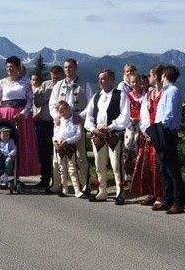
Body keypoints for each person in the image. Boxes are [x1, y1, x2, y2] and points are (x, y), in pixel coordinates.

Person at [84, 69, 131, 204]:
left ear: (111, 80)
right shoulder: (96, 96)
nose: (99, 81)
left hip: (113, 135)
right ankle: (102, 191)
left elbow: (124, 116)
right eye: (99, 78)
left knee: (116, 165)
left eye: (103, 78)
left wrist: (110, 127)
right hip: (98, 135)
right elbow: (89, 116)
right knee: (99, 165)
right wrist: (93, 128)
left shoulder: (121, 95)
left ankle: (120, 192)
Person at [48, 59, 93, 193]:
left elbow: (90, 104)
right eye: (66, 67)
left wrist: (82, 115)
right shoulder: (58, 85)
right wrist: (55, 116)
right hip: (61, 125)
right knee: (57, 157)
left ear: (76, 68)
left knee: (80, 156)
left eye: (70, 67)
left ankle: (85, 185)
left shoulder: (85, 84)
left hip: (76, 124)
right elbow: (52, 104)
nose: (68, 69)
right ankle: (57, 185)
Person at [0, 56, 40, 176]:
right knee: (6, 141)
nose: (9, 69)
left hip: (21, 117)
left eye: (12, 67)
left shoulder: (25, 81)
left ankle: (19, 172)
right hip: (6, 115)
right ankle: (2, 171)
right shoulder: (2, 82)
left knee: (21, 143)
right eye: (7, 67)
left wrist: (23, 114)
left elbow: (30, 100)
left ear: (18, 68)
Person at [151, 65, 184, 214]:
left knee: (172, 169)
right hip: (164, 132)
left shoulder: (172, 91)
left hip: (167, 133)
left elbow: (169, 115)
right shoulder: (167, 92)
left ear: (164, 75)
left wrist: (159, 130)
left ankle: (178, 202)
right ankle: (168, 198)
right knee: (163, 168)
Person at [130, 64, 165, 205]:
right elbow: (144, 114)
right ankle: (151, 192)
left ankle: (161, 194)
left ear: (155, 76)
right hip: (148, 133)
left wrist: (155, 132)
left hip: (159, 133)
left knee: (159, 165)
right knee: (148, 165)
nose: (148, 78)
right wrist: (146, 131)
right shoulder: (149, 94)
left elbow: (163, 114)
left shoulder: (164, 93)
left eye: (150, 75)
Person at [33, 65, 65, 188]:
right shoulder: (46, 85)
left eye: (57, 78)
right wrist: (47, 98)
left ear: (62, 75)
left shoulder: (63, 86)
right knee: (45, 153)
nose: (54, 80)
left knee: (58, 152)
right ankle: (45, 179)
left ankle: (60, 181)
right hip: (44, 122)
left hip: (58, 125)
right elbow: (37, 101)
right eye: (53, 78)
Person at [53, 101, 86, 198]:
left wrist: (68, 141)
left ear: (69, 108)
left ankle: (77, 190)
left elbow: (78, 134)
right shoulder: (59, 121)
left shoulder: (75, 120)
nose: (63, 113)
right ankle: (64, 189)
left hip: (69, 146)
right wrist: (55, 141)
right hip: (60, 145)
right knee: (62, 168)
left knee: (72, 168)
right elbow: (55, 134)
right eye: (61, 112)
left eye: (64, 110)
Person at [123, 72, 148, 181]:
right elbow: (124, 111)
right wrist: (130, 119)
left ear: (140, 82)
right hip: (130, 126)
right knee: (128, 149)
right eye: (132, 82)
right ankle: (128, 175)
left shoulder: (145, 96)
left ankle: (138, 175)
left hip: (141, 126)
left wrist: (140, 119)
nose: (134, 84)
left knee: (139, 149)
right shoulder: (127, 96)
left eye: (136, 81)